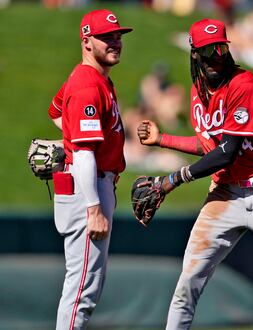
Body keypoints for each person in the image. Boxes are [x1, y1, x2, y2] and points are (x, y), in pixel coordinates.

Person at [137, 18, 253, 329]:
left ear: (227, 49)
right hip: (225, 193)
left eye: (220, 49)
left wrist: (173, 179)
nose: (215, 57)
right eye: (207, 50)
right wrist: (162, 140)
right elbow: (210, 144)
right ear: (194, 53)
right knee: (187, 285)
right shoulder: (198, 91)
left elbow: (228, 150)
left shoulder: (243, 84)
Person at [47, 9, 132, 329]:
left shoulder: (93, 79)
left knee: (84, 285)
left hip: (90, 182)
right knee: (82, 287)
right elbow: (83, 152)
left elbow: (56, 110)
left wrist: (68, 143)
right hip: (88, 187)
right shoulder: (87, 84)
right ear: (86, 41)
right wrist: (93, 207)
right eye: (106, 37)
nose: (116, 42)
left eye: (118, 36)